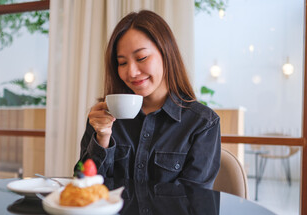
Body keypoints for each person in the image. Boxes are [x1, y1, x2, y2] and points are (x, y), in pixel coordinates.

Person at [77, 10, 221, 189]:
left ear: (166, 54)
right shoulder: (103, 118)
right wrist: (102, 138)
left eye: (141, 58)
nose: (131, 72)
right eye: (122, 62)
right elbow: (83, 187)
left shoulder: (202, 124)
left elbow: (192, 201)